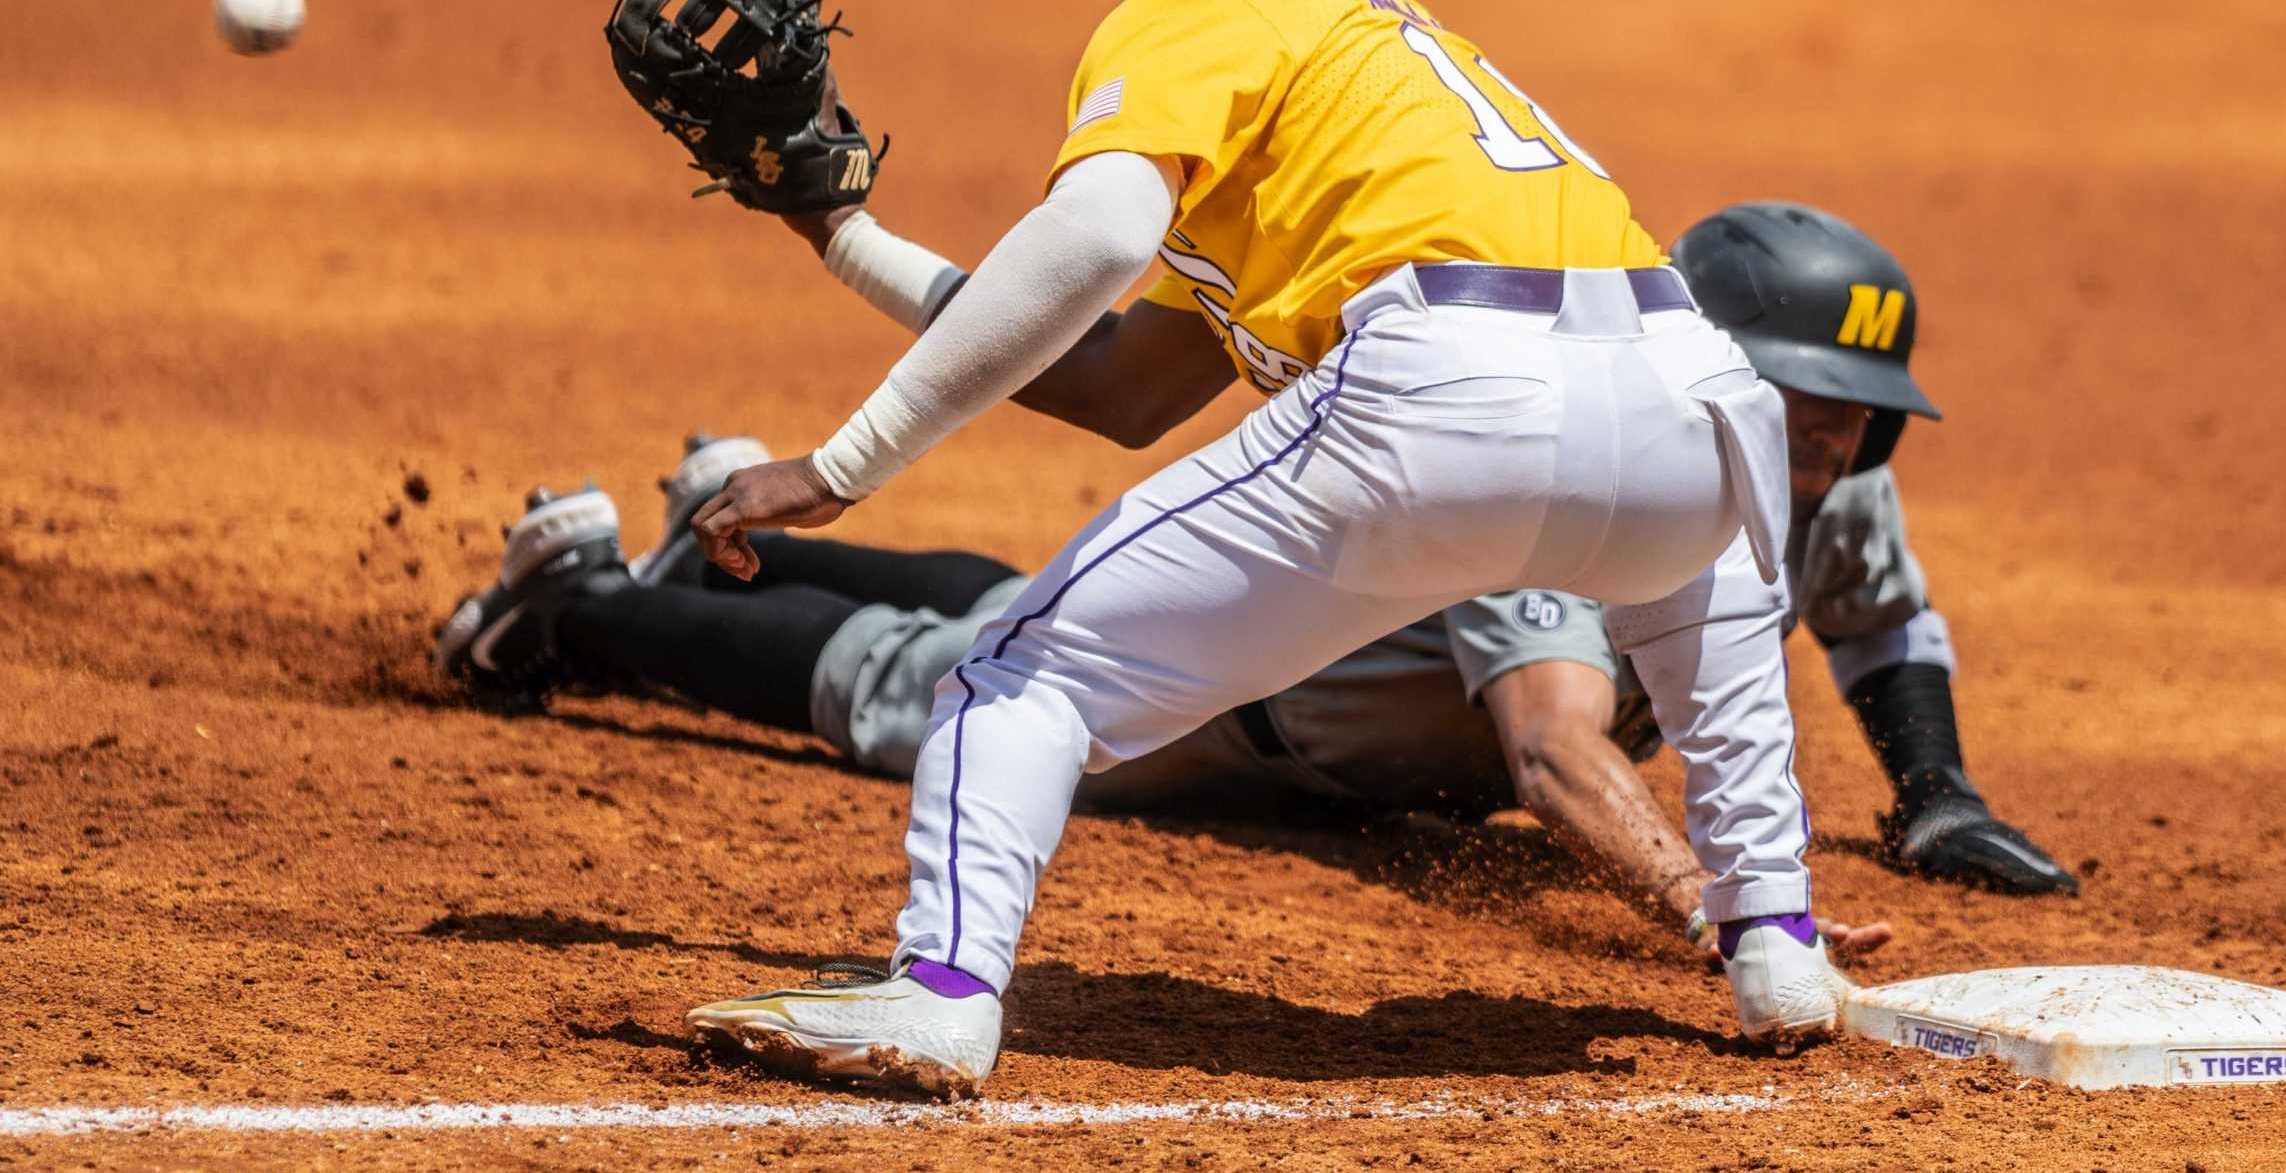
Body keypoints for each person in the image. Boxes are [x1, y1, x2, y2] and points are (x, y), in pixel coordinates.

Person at [651, 0, 1832, 1096]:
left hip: (1447, 393)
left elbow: (1090, 245)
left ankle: (942, 990)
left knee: (1025, 673)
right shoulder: (1386, 56)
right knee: (1696, 594)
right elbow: (1124, 382)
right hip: (1688, 398)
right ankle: (1777, 948)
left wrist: (845, 462)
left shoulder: (1202, 1)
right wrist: (842, 236)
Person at [437, 436, 1897, 960]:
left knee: (1005, 594)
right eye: (1811, 420)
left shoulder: (1782, 492)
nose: (1830, 454)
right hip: (1202, 709)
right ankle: (579, 600)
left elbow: (1892, 612)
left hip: (1239, 640)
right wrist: (1720, 906)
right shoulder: (1581, 509)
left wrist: (1940, 786)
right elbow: (1553, 750)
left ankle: (722, 522)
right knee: (923, 686)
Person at [1668, 203, 2077, 896]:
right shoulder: (1585, 487)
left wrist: (1936, 792)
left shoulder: (1831, 487)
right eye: (1809, 389)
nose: (1834, 429)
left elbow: (1881, 624)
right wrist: (1688, 895)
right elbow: (1548, 740)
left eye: (1858, 400)